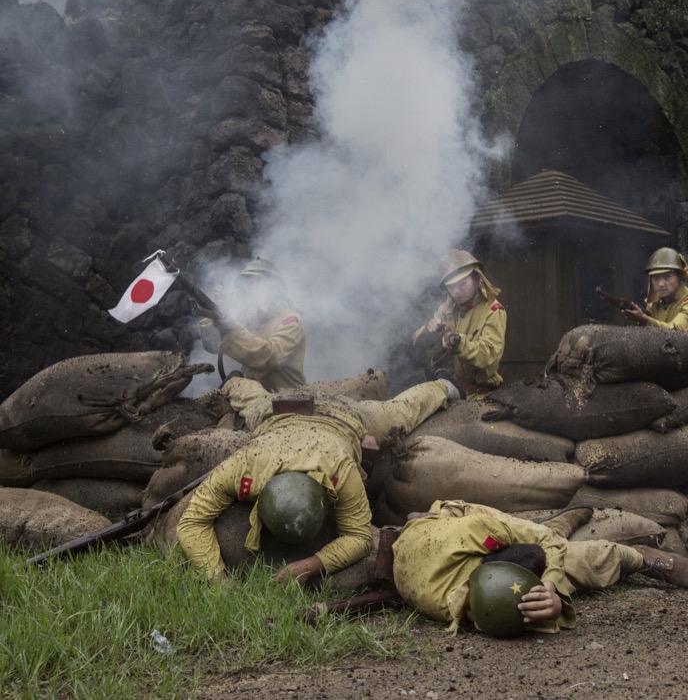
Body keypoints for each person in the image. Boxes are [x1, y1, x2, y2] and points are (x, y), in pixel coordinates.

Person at [177, 374, 457, 583]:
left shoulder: (341, 470)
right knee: (249, 397)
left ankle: (445, 386)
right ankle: (232, 379)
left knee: (401, 413)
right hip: (278, 413)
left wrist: (310, 565)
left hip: (345, 416)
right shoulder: (244, 465)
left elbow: (360, 538)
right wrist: (218, 581)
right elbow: (190, 522)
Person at [391, 500, 688, 635]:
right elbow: (507, 617)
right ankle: (633, 556)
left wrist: (551, 586)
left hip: (454, 521)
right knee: (573, 566)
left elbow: (548, 545)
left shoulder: (481, 529)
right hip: (439, 528)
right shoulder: (459, 603)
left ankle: (636, 557)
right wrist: (551, 607)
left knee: (558, 549)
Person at [198, 257, 306, 392]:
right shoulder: (251, 317)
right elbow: (213, 345)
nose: (249, 290)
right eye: (246, 284)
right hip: (255, 394)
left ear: (274, 287)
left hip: (287, 397)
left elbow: (271, 358)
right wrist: (219, 311)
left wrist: (233, 328)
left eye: (256, 283)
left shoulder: (290, 320)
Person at [412, 249, 506, 399]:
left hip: (480, 397)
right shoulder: (447, 309)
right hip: (451, 391)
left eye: (462, 283)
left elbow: (488, 356)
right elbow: (416, 343)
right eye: (451, 286)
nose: (456, 291)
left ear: (476, 277)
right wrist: (429, 331)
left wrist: (458, 342)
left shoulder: (493, 310)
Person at [621, 247, 688, 335]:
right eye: (656, 277)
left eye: (667, 277)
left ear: (679, 277)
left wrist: (645, 320)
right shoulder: (655, 303)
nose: (661, 284)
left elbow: (676, 333)